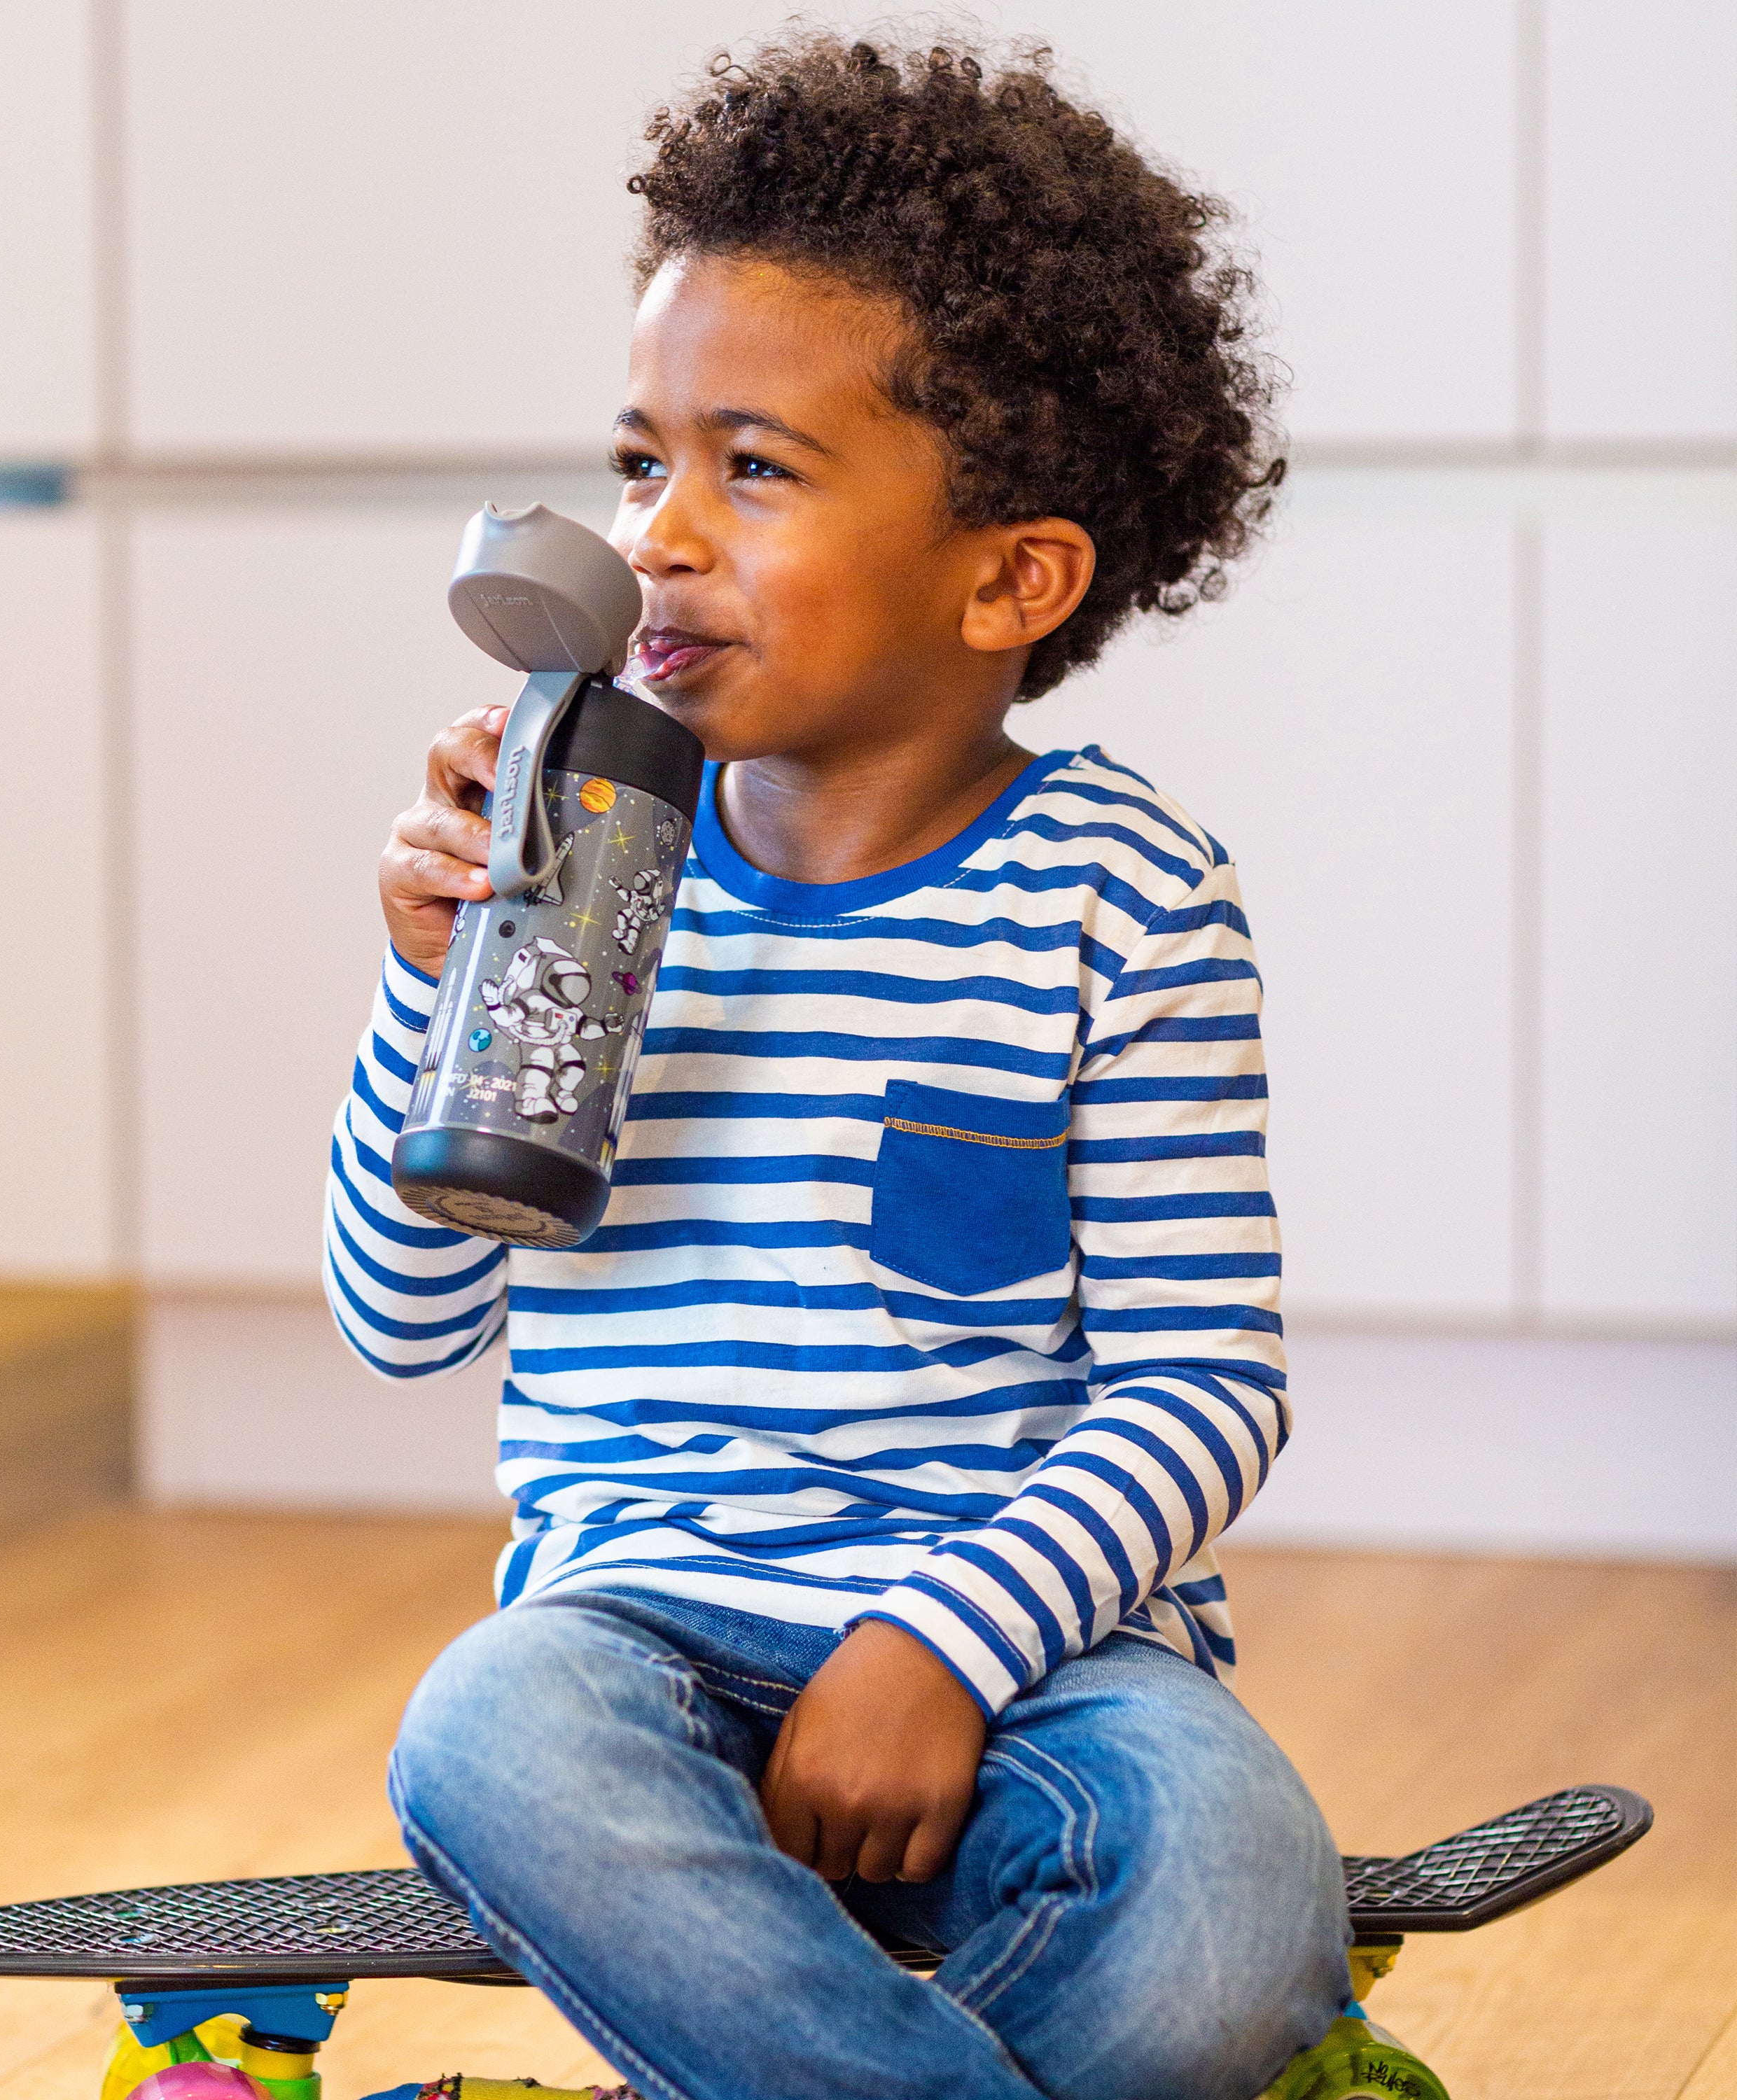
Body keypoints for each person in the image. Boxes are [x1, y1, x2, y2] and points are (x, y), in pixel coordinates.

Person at [326, 32, 1349, 2100]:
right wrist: (435, 992)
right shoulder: (586, 862)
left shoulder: (1119, 894)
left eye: (754, 468)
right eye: (640, 461)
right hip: (641, 1640)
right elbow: (402, 1319)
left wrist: (936, 1651)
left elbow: (1204, 1385)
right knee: (482, 1728)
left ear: (1010, 576)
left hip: (1042, 1658)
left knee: (1244, 1894)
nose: (658, 538)